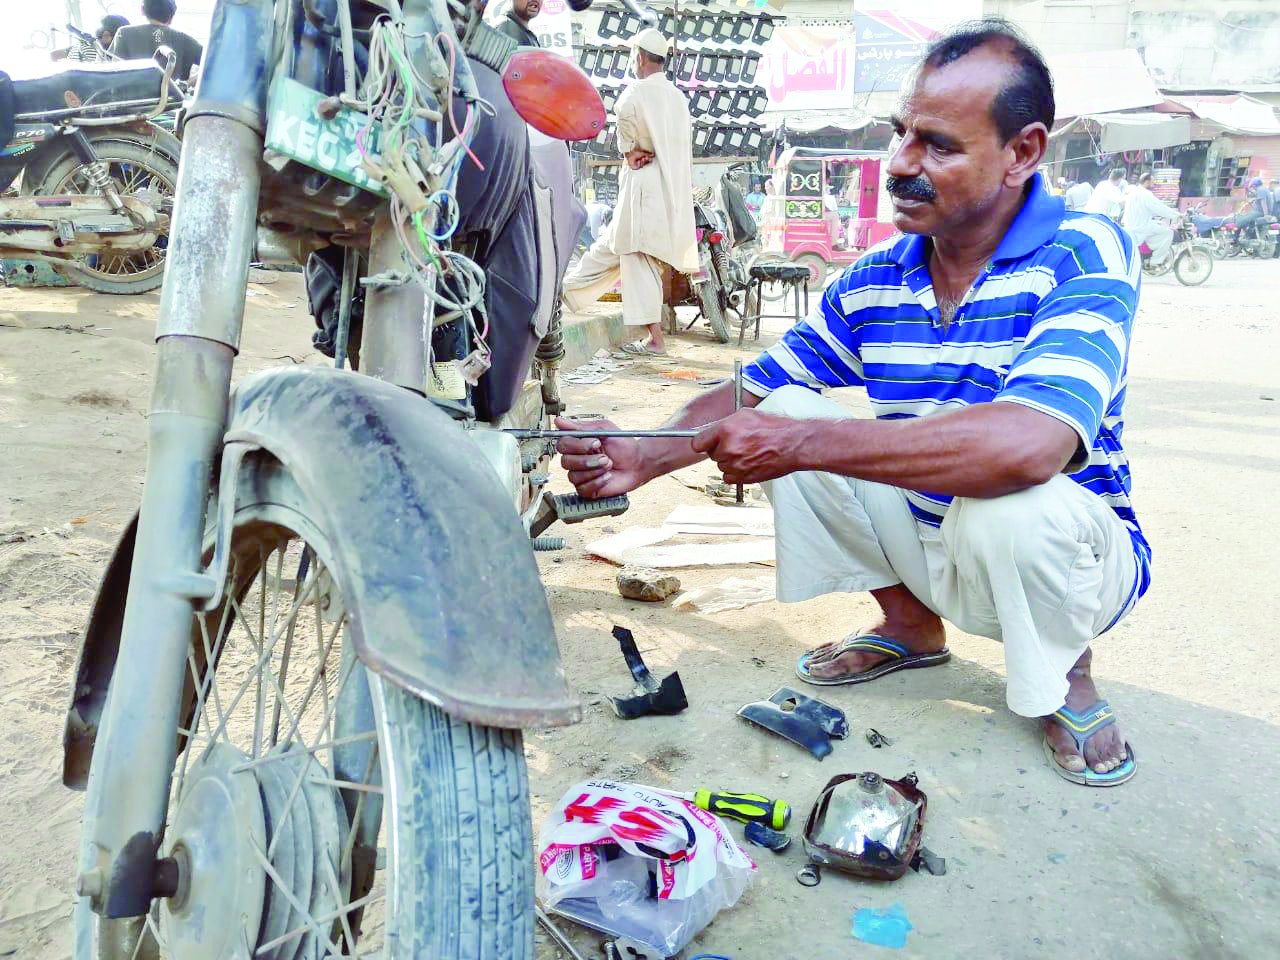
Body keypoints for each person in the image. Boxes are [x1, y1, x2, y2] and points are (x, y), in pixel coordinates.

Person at [556, 18, 1147, 787]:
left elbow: (1028, 446)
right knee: (793, 411)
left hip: (1070, 558)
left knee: (1010, 498)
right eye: (901, 133)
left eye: (938, 145)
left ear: (1023, 153)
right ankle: (910, 625)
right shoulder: (876, 276)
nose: (899, 163)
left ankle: (1064, 673)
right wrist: (641, 456)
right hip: (931, 541)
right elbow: (751, 389)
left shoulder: (1084, 248)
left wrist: (798, 446)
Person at [561, 29, 696, 356]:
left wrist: (628, 152)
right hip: (669, 187)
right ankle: (562, 294)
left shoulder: (635, 93)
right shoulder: (677, 97)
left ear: (639, 57)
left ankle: (656, 339)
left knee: (638, 257)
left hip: (643, 185)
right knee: (612, 245)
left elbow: (626, 136)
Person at [111, 0, 203, 81]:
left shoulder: (124, 33)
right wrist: (187, 84)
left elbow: (113, 70)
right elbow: (213, 66)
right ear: (172, 15)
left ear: (142, 10)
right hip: (173, 98)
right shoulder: (185, 39)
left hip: (132, 98)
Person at [1121, 171, 1179, 265]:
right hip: (1140, 226)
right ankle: (1156, 261)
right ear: (1147, 182)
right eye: (1152, 182)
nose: (1153, 184)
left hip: (1133, 224)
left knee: (1161, 225)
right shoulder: (1145, 194)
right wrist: (1177, 215)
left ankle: (1148, 254)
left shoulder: (1135, 192)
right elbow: (1159, 207)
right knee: (1168, 232)